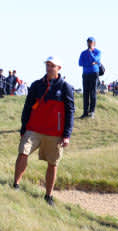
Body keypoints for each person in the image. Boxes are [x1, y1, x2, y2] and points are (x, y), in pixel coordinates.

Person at [13, 56, 74, 204]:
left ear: (59, 68)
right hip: (33, 129)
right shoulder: (36, 85)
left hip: (54, 133)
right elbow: (27, 107)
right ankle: (15, 185)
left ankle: (48, 195)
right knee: (23, 153)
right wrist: (23, 127)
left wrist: (66, 135)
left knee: (53, 164)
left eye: (52, 65)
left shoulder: (66, 87)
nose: (49, 68)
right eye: (47, 65)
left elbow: (70, 111)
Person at [78, 36, 102, 118]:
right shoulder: (83, 53)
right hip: (85, 74)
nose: (89, 43)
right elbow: (80, 63)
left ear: (94, 43)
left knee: (92, 93)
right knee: (85, 93)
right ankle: (85, 112)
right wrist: (90, 63)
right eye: (88, 42)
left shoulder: (98, 52)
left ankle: (92, 111)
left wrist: (90, 53)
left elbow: (95, 59)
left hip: (94, 73)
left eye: (91, 42)